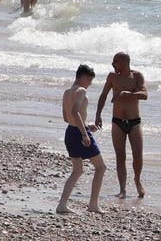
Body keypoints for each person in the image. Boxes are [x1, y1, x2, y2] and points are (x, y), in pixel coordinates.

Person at [94, 52, 147, 199]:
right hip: (117, 122)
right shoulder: (112, 77)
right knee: (120, 156)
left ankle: (137, 179)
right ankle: (122, 188)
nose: (112, 65)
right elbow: (104, 95)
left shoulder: (137, 76)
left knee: (137, 156)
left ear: (124, 61)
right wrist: (98, 115)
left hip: (134, 122)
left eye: (115, 62)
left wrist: (126, 94)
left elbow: (144, 94)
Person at [56, 64, 106, 215]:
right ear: (83, 77)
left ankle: (62, 205)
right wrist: (84, 133)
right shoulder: (81, 91)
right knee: (101, 167)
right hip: (79, 133)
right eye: (90, 79)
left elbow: (67, 117)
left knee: (77, 170)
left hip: (70, 132)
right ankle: (93, 204)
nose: (90, 83)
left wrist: (85, 125)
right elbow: (74, 111)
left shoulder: (66, 92)